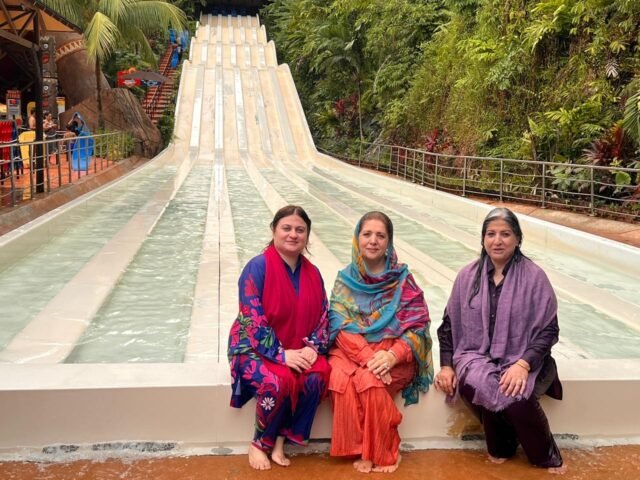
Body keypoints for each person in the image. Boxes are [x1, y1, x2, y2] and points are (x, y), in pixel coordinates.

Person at [434, 207, 566, 474]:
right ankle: (502, 447)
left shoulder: (534, 277)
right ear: (483, 239)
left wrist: (523, 364)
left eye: (505, 234)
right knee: (477, 382)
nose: (497, 241)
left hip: (526, 359)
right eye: (491, 234)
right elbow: (449, 324)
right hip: (475, 357)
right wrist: (447, 365)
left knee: (515, 394)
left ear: (517, 239)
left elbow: (549, 330)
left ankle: (546, 457)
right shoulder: (467, 277)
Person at [328, 211, 433, 473]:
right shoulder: (345, 279)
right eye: (367, 234)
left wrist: (391, 356)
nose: (373, 241)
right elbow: (338, 324)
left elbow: (418, 327)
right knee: (340, 378)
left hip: (392, 353)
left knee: (368, 380)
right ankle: (361, 447)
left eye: (380, 235)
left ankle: (385, 449)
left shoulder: (403, 280)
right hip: (354, 351)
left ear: (389, 242)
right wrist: (367, 357)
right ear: (357, 238)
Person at [228, 205, 331, 471]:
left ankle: (281, 439)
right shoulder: (257, 267)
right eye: (286, 228)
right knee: (278, 380)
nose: (293, 234)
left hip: (298, 346)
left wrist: (313, 347)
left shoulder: (313, 273)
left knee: (317, 374)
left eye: (300, 230)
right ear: (274, 230)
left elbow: (323, 314)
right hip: (252, 347)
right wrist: (281, 354)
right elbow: (251, 317)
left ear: (307, 235)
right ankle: (259, 443)